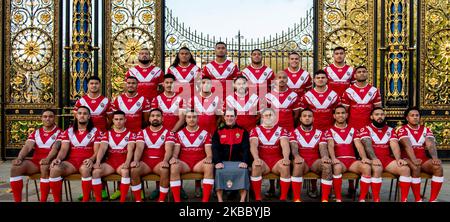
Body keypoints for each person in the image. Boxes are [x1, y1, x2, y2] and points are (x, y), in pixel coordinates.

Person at [357, 107, 412, 202]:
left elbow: (394, 145)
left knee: (405, 169)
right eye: (377, 114)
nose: (380, 117)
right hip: (372, 159)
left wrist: (398, 159)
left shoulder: (391, 130)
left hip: (387, 159)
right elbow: (367, 145)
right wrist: (374, 158)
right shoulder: (365, 129)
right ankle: (376, 199)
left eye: (382, 114)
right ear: (371, 117)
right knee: (377, 169)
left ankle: (404, 199)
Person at [48, 106, 102, 202]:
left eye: (85, 114)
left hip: (87, 161)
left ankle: (85, 200)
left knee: (85, 169)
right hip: (71, 163)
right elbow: (64, 149)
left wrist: (91, 159)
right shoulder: (68, 131)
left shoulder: (96, 131)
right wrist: (58, 159)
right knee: (54, 169)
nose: (82, 116)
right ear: (76, 116)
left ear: (89, 116)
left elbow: (97, 151)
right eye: (80, 113)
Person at [9, 109, 62, 202]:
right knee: (15, 168)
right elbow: (27, 147)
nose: (48, 119)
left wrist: (48, 159)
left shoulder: (60, 132)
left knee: (44, 166)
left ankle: (43, 200)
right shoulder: (36, 132)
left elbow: (56, 148)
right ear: (41, 118)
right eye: (45, 117)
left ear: (54, 118)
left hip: (51, 163)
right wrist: (19, 158)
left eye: (50, 116)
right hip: (36, 162)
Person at [398, 107, 444, 202]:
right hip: (407, 158)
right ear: (407, 118)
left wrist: (435, 158)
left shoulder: (426, 130)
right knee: (416, 167)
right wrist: (414, 159)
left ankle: (433, 199)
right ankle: (418, 199)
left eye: (417, 115)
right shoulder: (402, 129)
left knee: (438, 167)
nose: (415, 117)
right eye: (412, 115)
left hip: (422, 159)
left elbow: (430, 144)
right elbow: (407, 146)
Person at [327, 105, 372, 202]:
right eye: (338, 113)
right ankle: (338, 198)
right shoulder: (329, 130)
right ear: (334, 116)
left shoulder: (353, 130)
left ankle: (362, 199)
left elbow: (359, 145)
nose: (340, 115)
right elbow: (330, 146)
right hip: (339, 161)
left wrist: (363, 157)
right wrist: (333, 158)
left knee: (367, 167)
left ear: (347, 115)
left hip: (352, 161)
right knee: (337, 167)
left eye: (343, 113)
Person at [169, 109, 215, 202]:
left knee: (209, 166)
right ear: (185, 119)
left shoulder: (205, 133)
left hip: (199, 163)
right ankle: (177, 200)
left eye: (194, 117)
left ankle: (205, 201)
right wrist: (173, 157)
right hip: (185, 164)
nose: (191, 119)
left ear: (198, 119)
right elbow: (175, 152)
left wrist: (209, 157)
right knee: (174, 167)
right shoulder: (179, 134)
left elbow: (209, 153)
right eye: (189, 117)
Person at [130, 108, 175, 202]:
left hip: (160, 162)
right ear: (149, 119)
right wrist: (136, 160)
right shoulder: (142, 132)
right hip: (146, 163)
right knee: (134, 169)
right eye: (153, 116)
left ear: (162, 118)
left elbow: (169, 149)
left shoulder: (168, 133)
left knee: (164, 169)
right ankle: (138, 200)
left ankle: (161, 200)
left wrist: (165, 161)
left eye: (158, 116)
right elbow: (139, 148)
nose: (155, 118)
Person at [289, 108, 333, 202]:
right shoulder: (294, 132)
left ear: (313, 119)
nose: (307, 118)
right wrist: (296, 156)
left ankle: (325, 199)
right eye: (304, 116)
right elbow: (294, 148)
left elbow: (323, 148)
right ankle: (297, 199)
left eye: (309, 116)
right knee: (297, 164)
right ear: (300, 119)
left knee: (327, 165)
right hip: (302, 161)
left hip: (314, 162)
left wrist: (325, 156)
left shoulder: (320, 133)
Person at [91, 111, 135, 202]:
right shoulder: (107, 134)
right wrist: (98, 162)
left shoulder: (131, 134)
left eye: (121, 119)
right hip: (110, 163)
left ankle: (122, 200)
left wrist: (127, 163)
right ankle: (98, 200)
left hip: (122, 162)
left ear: (125, 120)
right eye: (116, 119)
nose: (118, 121)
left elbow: (130, 150)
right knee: (96, 172)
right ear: (113, 120)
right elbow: (102, 148)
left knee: (125, 172)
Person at [249, 108, 291, 201]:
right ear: (262, 117)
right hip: (263, 161)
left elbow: (285, 144)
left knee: (285, 166)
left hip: (276, 161)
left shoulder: (282, 130)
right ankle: (258, 198)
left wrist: (286, 158)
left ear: (275, 117)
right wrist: (256, 158)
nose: (268, 117)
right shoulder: (255, 130)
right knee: (256, 165)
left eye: (270, 115)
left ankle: (283, 198)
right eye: (266, 115)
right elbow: (253, 145)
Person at [212, 109, 250, 202]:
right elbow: (215, 148)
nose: (229, 118)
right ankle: (220, 200)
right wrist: (217, 162)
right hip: (222, 162)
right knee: (218, 171)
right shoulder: (218, 132)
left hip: (238, 162)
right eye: (227, 116)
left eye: (232, 116)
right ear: (224, 118)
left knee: (244, 171)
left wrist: (245, 161)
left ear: (236, 117)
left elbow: (246, 148)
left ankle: (242, 200)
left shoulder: (242, 131)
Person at [341, 65, 382, 131]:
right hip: (352, 127)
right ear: (355, 75)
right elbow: (344, 112)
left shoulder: (374, 90)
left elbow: (378, 110)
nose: (362, 73)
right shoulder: (348, 91)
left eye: (364, 72)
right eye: (359, 72)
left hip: (370, 128)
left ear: (367, 74)